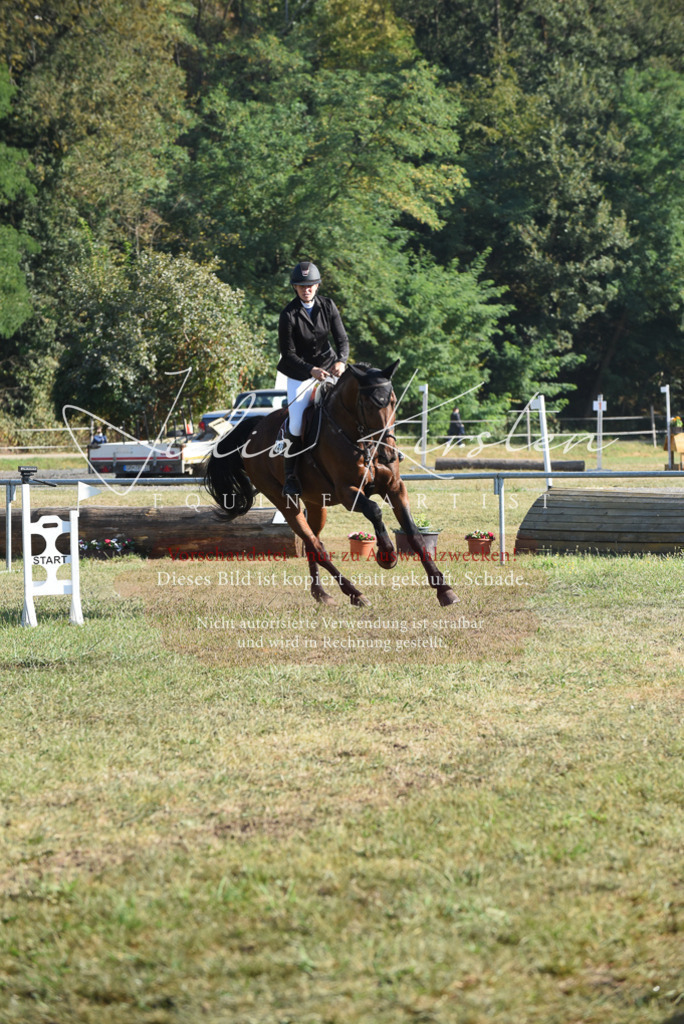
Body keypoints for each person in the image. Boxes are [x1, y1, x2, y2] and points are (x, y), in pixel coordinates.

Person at [277, 260, 349, 496]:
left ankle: (380, 451)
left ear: (317, 286)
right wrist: (310, 370)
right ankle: (290, 477)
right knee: (297, 422)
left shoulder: (328, 306)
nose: (306, 289)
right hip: (300, 373)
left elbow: (342, 341)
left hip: (330, 367)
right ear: (295, 288)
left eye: (310, 285)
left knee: (357, 402)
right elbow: (287, 354)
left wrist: (342, 361)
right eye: (301, 286)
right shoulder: (288, 314)